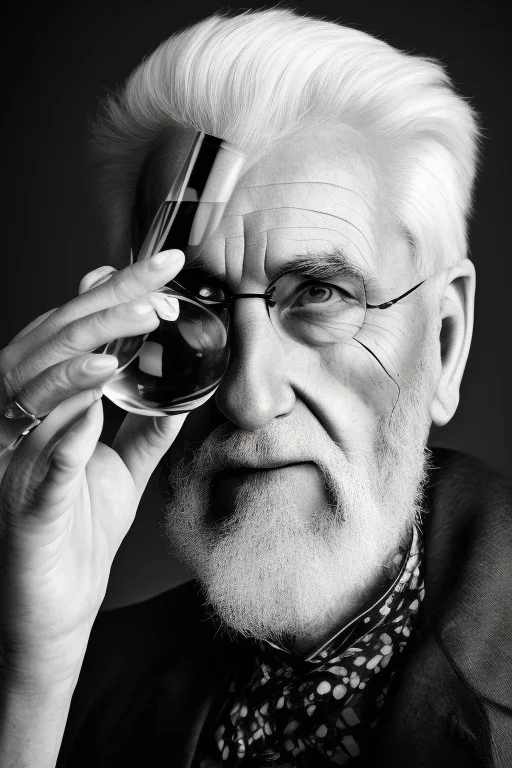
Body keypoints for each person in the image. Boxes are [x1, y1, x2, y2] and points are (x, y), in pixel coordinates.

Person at [0, 7, 510, 768]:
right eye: (192, 306)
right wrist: (31, 670)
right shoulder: (81, 678)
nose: (247, 396)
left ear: (443, 340)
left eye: (319, 294)